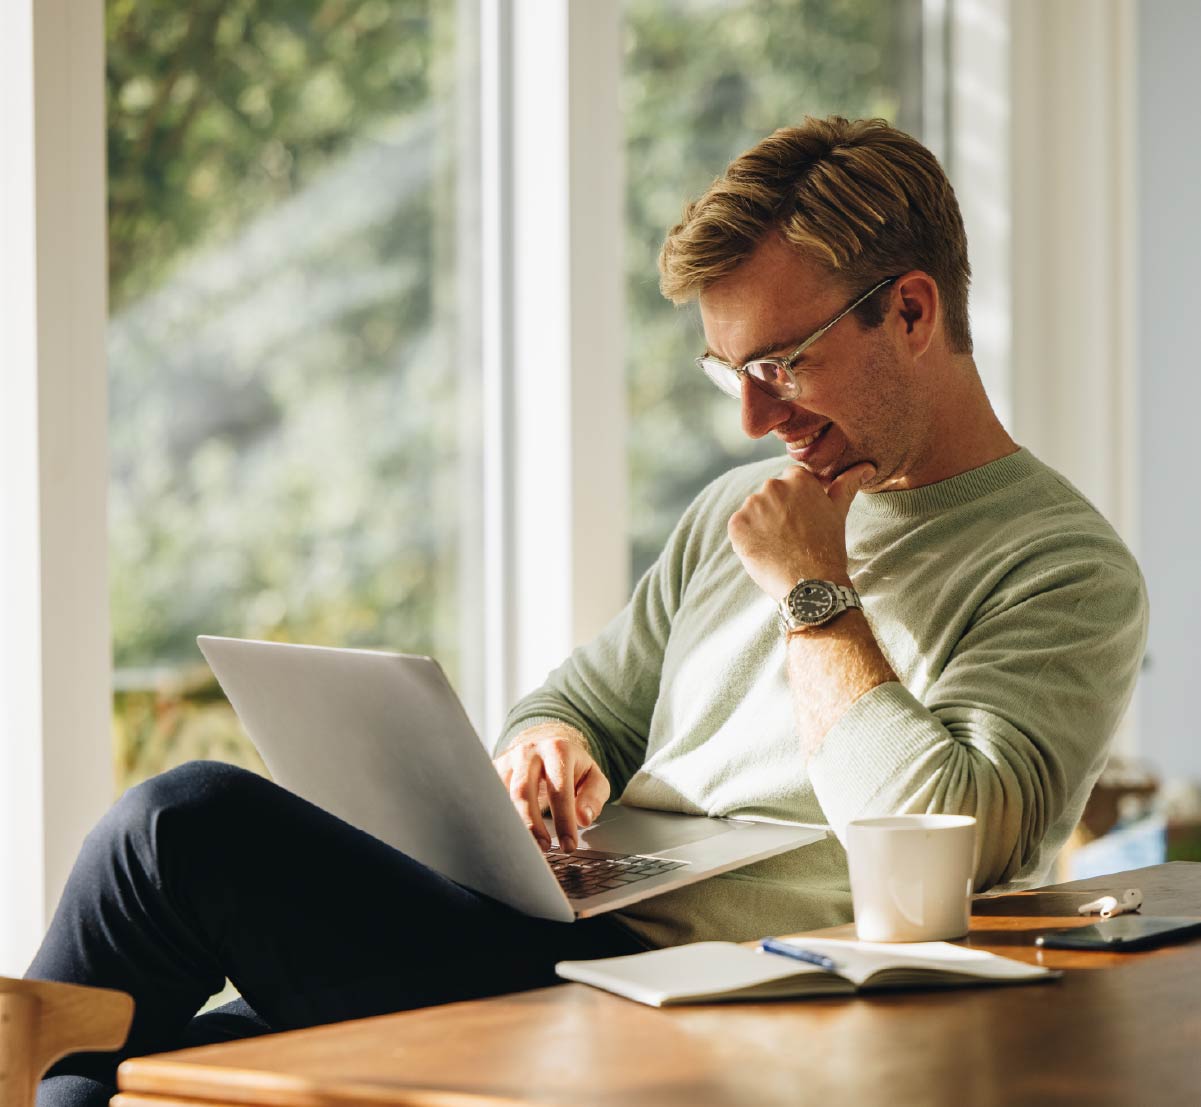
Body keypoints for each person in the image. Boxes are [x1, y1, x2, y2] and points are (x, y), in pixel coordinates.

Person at [27, 117, 1146, 1104]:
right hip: (551, 939)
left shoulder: (1063, 569)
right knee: (139, 1054)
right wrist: (542, 748)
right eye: (728, 373)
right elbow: (581, 700)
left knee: (179, 830)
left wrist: (814, 596)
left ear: (909, 310)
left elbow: (943, 830)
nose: (755, 418)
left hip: (718, 1000)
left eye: (783, 364)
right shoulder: (732, 515)